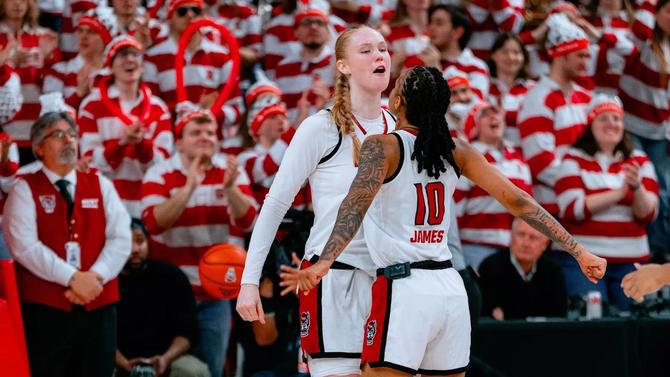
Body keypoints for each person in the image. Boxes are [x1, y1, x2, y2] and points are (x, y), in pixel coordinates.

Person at [297, 65, 606, 377]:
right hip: (449, 288)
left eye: (398, 84)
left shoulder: (383, 147)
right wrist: (578, 250)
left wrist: (324, 261)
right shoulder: (457, 150)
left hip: (404, 287)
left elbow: (353, 208)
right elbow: (520, 201)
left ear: (398, 102)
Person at [237, 25, 395, 377]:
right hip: (334, 281)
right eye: (366, 50)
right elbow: (275, 204)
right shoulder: (320, 128)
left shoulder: (399, 127)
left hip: (391, 281)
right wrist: (249, 283)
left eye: (383, 49)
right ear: (343, 66)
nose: (379, 55)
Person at [3, 110, 131, 377]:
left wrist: (95, 277)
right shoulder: (24, 188)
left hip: (98, 304)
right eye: (58, 135)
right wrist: (73, 278)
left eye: (72, 135)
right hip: (47, 310)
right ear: (39, 147)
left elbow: (121, 237)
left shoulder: (100, 183)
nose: (69, 141)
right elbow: (24, 246)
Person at [141, 107, 257, 377]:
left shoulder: (231, 171)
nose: (205, 137)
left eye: (210, 132)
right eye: (195, 132)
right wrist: (189, 187)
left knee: (211, 370)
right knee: (164, 368)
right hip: (170, 294)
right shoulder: (159, 173)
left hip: (216, 291)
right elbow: (153, 224)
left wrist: (230, 190)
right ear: (178, 140)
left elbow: (251, 222)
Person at [555, 94, 659, 311]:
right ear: (591, 124)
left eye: (616, 118)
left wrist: (637, 188)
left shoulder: (639, 160)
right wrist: (621, 192)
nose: (611, 123)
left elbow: (648, 214)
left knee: (635, 321)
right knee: (591, 321)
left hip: (631, 259)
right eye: (604, 118)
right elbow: (573, 208)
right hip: (584, 260)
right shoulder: (572, 158)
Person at [78, 35, 173, 218]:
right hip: (107, 204)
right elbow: (90, 162)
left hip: (147, 202)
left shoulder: (158, 108)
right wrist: (121, 145)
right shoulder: (91, 106)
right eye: (122, 55)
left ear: (143, 64)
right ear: (110, 66)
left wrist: (141, 145)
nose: (130, 59)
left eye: (134, 54)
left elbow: (163, 164)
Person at [517, 13, 593, 216]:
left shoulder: (586, 97)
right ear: (561, 55)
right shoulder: (538, 98)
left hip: (585, 204)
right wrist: (588, 185)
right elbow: (541, 163)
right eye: (581, 55)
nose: (586, 63)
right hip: (554, 209)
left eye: (588, 56)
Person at [115, 219, 210, 377]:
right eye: (126, 242)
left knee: (193, 371)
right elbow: (98, 334)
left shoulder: (171, 276)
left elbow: (186, 332)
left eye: (140, 241)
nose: (135, 249)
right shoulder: (106, 281)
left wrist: (165, 359)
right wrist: (121, 362)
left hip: (167, 358)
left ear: (148, 241)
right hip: (119, 361)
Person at [454, 102, 532, 270]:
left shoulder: (518, 158)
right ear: (473, 124)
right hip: (474, 247)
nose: (494, 117)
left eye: (496, 113)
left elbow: (528, 207)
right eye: (484, 114)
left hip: (513, 250)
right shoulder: (467, 156)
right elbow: (455, 209)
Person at [0, 0, 59, 163]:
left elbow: (55, 87)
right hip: (4, 131)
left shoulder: (44, 36)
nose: (17, 3)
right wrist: (8, 63)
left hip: (37, 129)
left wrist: (48, 61)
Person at [478, 218, 567, 320]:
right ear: (511, 237)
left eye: (533, 238)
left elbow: (558, 318)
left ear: (545, 244)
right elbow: (486, 316)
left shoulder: (553, 271)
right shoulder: (490, 267)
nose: (526, 244)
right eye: (521, 235)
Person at [269, 6, 334, 124]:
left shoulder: (339, 64)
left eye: (319, 23)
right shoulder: (283, 68)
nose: (313, 27)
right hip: (294, 134)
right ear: (296, 32)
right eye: (306, 23)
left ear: (328, 32)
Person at [486, 33, 535, 147]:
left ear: (524, 57)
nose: (511, 57)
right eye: (505, 52)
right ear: (493, 55)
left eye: (516, 52)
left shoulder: (533, 89)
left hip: (524, 157)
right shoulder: (484, 87)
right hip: (488, 157)